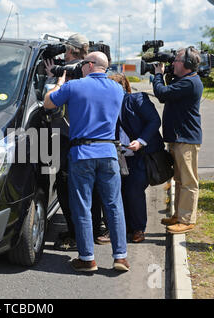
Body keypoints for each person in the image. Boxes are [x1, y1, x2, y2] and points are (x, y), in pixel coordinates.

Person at [44, 51, 129, 272]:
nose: (80, 67)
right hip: (109, 152)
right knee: (114, 205)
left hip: (82, 153)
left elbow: (48, 103)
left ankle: (87, 258)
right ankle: (120, 257)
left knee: (82, 206)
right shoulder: (117, 89)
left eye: (83, 64)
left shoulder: (74, 86)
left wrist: (59, 81)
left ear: (90, 65)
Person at [43, 34, 110, 251]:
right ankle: (96, 229)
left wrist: (52, 78)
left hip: (68, 138)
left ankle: (75, 235)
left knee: (67, 187)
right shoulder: (91, 73)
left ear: (70, 51)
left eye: (65, 50)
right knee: (94, 189)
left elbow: (49, 104)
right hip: (97, 140)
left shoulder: (67, 74)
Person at [109, 73, 165, 243]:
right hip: (116, 156)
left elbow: (154, 121)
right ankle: (123, 227)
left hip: (140, 155)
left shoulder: (137, 99)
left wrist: (141, 141)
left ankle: (138, 229)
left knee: (133, 190)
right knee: (117, 191)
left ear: (122, 87)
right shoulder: (105, 104)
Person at [153, 47, 203, 234]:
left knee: (188, 181)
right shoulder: (184, 80)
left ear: (188, 65)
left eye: (177, 61)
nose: (173, 63)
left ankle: (187, 219)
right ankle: (179, 215)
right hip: (179, 137)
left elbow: (162, 94)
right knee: (179, 180)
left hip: (186, 139)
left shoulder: (190, 83)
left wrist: (158, 74)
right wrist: (166, 73)